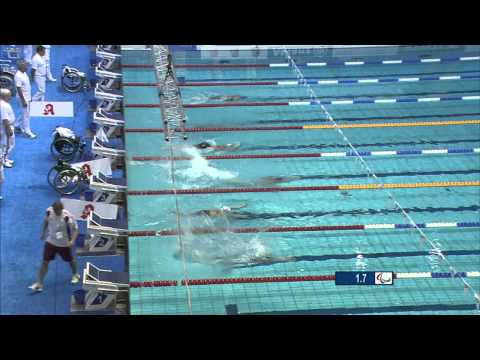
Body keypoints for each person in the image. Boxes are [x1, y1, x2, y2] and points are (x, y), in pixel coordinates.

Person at [29, 201, 80, 292]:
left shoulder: (67, 217)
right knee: (45, 262)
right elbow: (46, 220)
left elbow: (76, 230)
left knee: (70, 260)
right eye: (55, 210)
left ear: (62, 209)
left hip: (63, 244)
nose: (56, 212)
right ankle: (39, 283)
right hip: (51, 241)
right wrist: (43, 232)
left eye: (58, 211)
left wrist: (72, 240)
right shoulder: (49, 211)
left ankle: (75, 274)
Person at [14, 60, 36, 138]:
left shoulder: (24, 73)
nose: (27, 67)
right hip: (23, 98)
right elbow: (19, 89)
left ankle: (16, 125)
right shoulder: (18, 76)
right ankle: (27, 131)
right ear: (20, 67)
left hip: (27, 96)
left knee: (23, 112)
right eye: (25, 66)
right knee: (26, 115)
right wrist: (23, 100)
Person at [0, 89, 15, 168]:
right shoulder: (3, 106)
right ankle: (3, 161)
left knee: (8, 144)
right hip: (6, 128)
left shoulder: (4, 104)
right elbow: (5, 119)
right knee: (6, 145)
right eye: (9, 95)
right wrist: (9, 130)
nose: (10, 97)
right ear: (4, 96)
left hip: (6, 126)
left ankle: (6, 158)